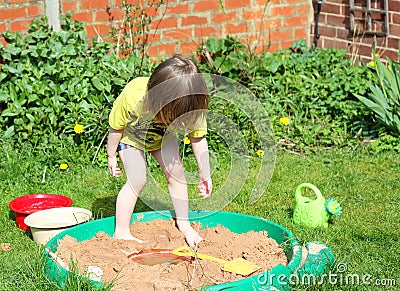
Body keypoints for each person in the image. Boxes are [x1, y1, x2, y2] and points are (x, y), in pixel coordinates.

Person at [107, 54, 212, 247]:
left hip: (163, 138)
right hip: (132, 137)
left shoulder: (192, 103)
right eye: (173, 115)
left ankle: (183, 223)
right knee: (138, 179)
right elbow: (116, 128)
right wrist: (111, 156)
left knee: (177, 173)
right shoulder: (133, 96)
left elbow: (197, 138)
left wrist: (204, 172)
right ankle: (121, 231)